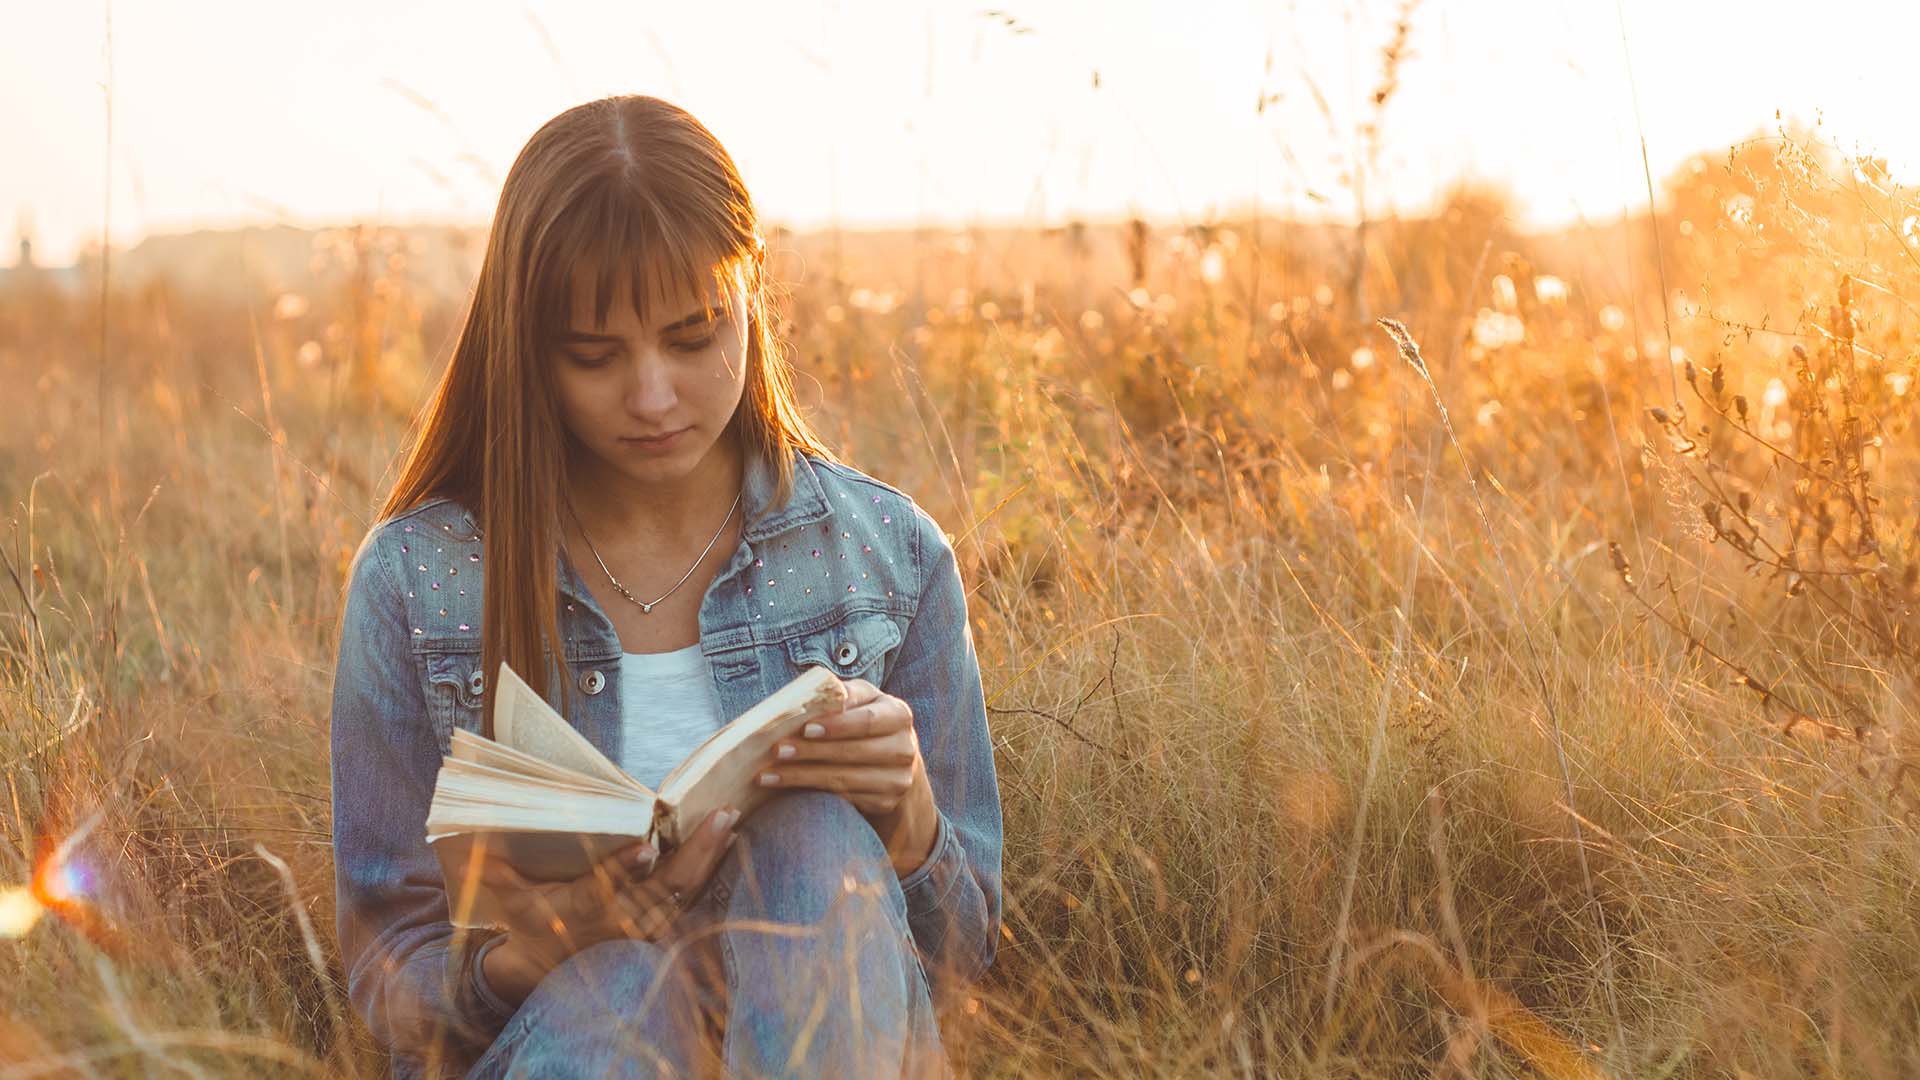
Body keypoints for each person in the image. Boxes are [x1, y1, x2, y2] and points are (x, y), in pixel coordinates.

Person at [327, 94, 1004, 1079]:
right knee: (619, 989)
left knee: (813, 842)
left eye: (693, 336)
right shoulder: (419, 584)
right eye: (594, 356)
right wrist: (541, 950)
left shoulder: (884, 556)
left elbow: (967, 957)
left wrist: (911, 826)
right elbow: (392, 981)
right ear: (527, 348)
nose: (653, 396)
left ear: (753, 293)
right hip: (574, 1047)